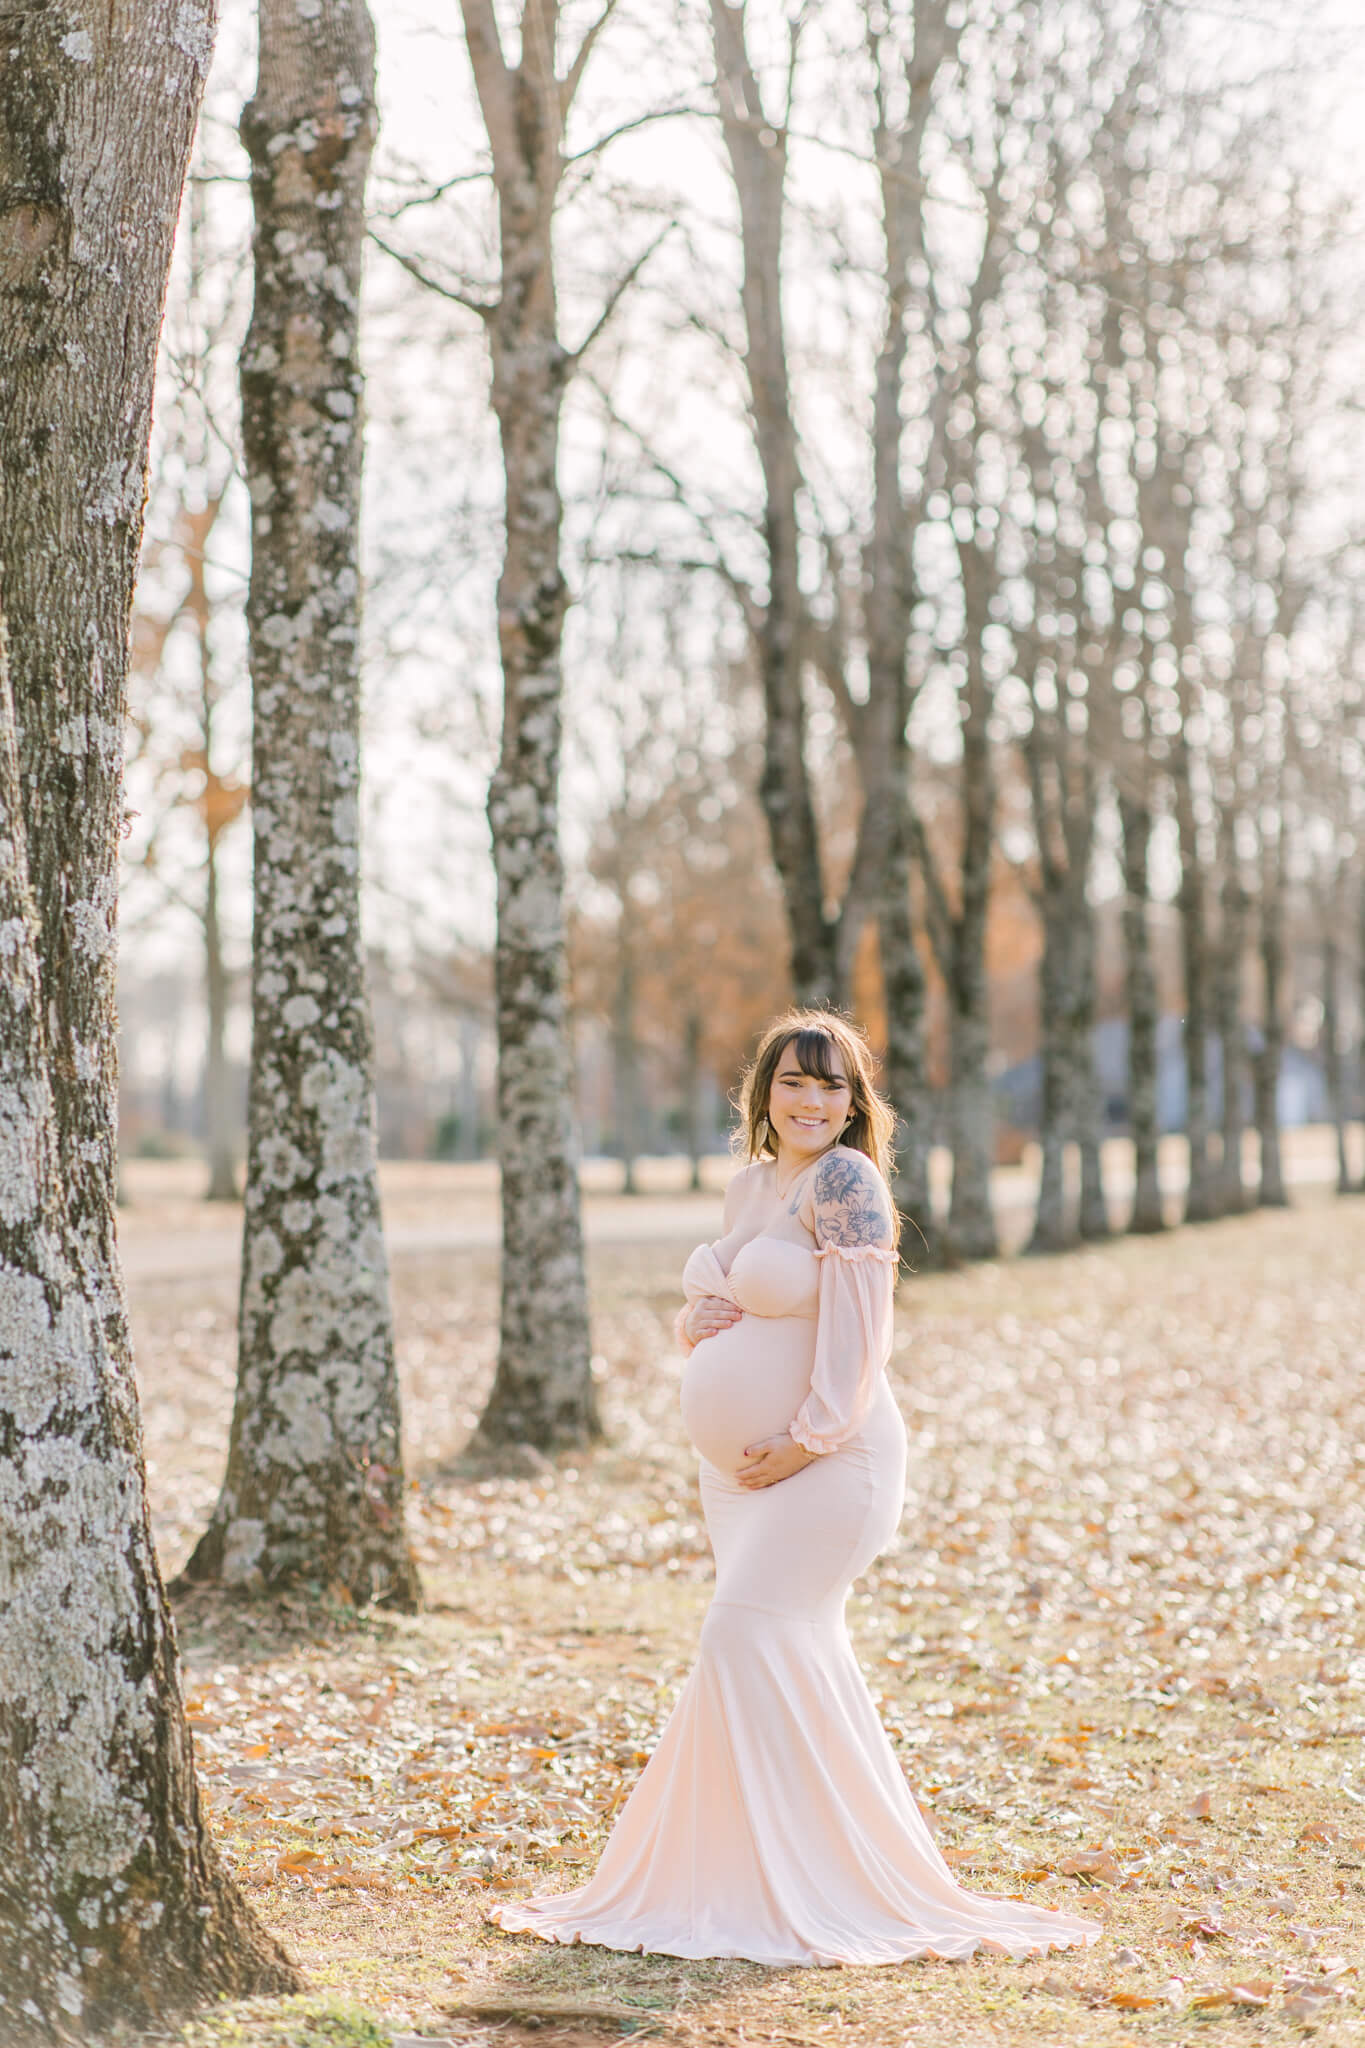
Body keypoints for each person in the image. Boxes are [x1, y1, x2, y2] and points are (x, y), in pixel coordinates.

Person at [490, 1010, 1100, 1965]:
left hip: (831, 1459)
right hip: (740, 1477)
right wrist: (706, 1319)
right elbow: (717, 1312)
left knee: (743, 1631)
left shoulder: (847, 1183)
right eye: (794, 1082)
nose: (812, 1101)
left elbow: (862, 1338)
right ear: (762, 1094)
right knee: (791, 1648)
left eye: (832, 1086)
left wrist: (807, 1439)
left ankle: (803, 1883)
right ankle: (757, 1872)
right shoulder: (749, 1185)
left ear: (855, 1104)